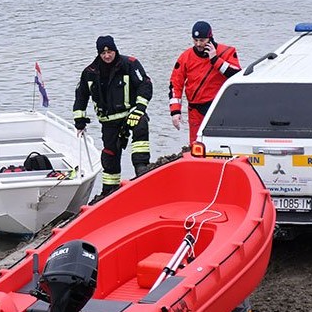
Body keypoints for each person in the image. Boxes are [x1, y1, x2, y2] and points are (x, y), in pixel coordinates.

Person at [73, 35, 153, 197]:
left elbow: (145, 85)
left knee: (141, 125)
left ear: (115, 50)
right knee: (110, 156)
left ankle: (141, 168)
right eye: (103, 53)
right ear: (98, 54)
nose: (107, 56)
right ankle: (109, 192)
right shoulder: (90, 72)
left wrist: (139, 109)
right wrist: (79, 121)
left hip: (130, 114)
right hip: (109, 122)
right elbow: (81, 96)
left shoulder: (129, 64)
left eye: (110, 52)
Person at [169, 21, 241, 143]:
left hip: (219, 108)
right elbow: (175, 84)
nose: (198, 44)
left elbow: (237, 76)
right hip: (196, 110)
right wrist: (175, 111)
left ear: (210, 38)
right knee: (197, 145)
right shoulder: (186, 56)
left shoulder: (227, 52)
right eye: (195, 40)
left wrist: (215, 59)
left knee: (222, 145)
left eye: (202, 40)